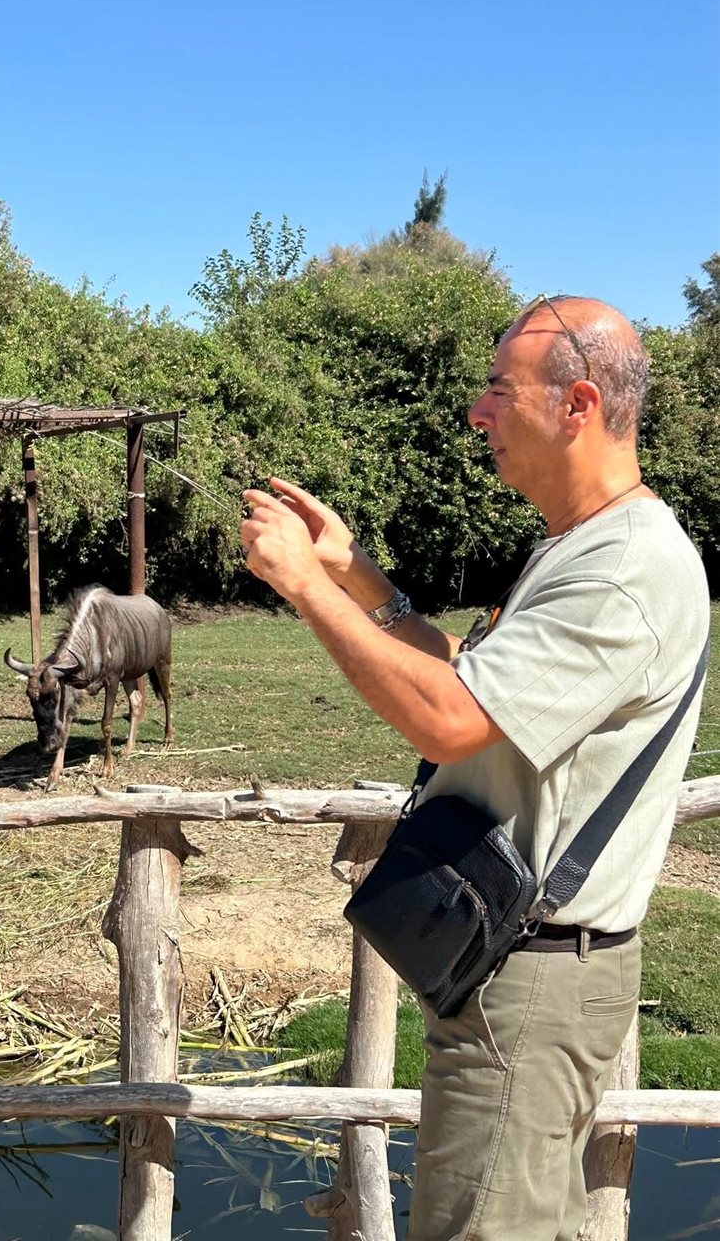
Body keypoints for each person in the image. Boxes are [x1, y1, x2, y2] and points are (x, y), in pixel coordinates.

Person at [240, 294, 710, 1241]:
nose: (477, 411)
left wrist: (296, 584)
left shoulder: (622, 568)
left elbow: (451, 719)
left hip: (531, 985)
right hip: (519, 972)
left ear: (577, 405)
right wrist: (355, 576)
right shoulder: (583, 546)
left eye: (500, 388)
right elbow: (476, 677)